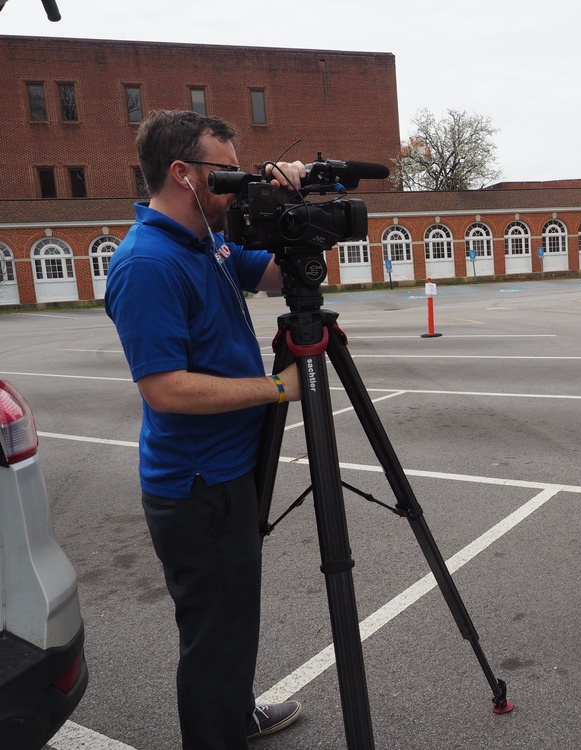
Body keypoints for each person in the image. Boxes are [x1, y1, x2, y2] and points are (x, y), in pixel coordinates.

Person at [105, 109, 307, 747]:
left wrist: (291, 214)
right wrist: (277, 387)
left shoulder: (207, 243)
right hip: (197, 488)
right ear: (182, 174)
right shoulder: (148, 263)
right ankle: (215, 734)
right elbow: (164, 389)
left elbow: (273, 276)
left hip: (228, 475)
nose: (235, 182)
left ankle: (234, 713)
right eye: (225, 172)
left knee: (232, 621)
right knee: (214, 631)